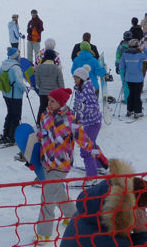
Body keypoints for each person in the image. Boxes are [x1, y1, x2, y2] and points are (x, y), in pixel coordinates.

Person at [34, 88, 108, 243]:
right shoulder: (45, 116)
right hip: (47, 162)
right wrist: (32, 157)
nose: (49, 103)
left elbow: (85, 141)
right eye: (48, 100)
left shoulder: (70, 120)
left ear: (60, 103)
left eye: (52, 101)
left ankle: (44, 233)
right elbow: (41, 135)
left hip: (61, 165)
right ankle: (72, 214)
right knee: (57, 192)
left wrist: (99, 156)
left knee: (47, 196)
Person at [60, 161, 147, 247]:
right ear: (131, 209)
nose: (144, 216)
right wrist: (142, 233)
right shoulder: (115, 240)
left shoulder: (91, 210)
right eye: (142, 210)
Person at [72, 66, 105, 177]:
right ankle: (100, 166)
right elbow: (77, 106)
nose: (74, 80)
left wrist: (82, 108)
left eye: (76, 78)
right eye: (74, 77)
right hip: (87, 123)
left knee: (85, 150)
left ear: (82, 78)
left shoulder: (87, 91)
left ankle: (92, 176)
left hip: (93, 122)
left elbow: (94, 108)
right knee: (92, 145)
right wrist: (75, 118)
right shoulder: (79, 89)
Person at [0, 47, 28, 145]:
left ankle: (6, 133)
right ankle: (12, 136)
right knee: (16, 115)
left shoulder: (4, 65)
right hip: (16, 95)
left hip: (6, 94)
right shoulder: (16, 67)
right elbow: (19, 82)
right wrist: (25, 89)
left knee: (10, 113)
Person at [118, 41, 147, 118]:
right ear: (137, 46)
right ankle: (137, 112)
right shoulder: (139, 55)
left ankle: (130, 110)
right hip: (138, 78)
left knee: (131, 94)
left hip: (129, 78)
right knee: (137, 95)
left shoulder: (124, 55)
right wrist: (143, 48)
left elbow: (121, 67)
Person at [35, 48, 64, 122]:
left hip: (42, 93)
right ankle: (53, 124)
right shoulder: (57, 69)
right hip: (54, 94)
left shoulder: (39, 68)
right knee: (53, 110)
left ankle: (39, 123)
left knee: (42, 108)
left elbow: (37, 83)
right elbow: (61, 84)